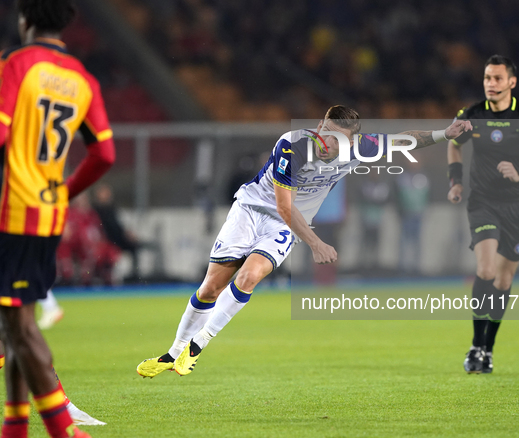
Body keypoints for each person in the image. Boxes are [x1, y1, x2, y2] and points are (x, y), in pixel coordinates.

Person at [137, 105, 472, 378]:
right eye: (325, 134)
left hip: (284, 225)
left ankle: (196, 347)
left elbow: (403, 141)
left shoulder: (361, 148)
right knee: (211, 288)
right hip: (252, 211)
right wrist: (315, 243)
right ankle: (173, 351)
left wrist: (445, 134)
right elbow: (285, 206)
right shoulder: (293, 144)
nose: (326, 144)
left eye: (336, 140)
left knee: (249, 277)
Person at [0, 1, 115, 437]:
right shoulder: (82, 79)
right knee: (14, 321)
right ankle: (14, 424)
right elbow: (104, 153)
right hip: (48, 213)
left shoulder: (15, 64)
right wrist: (63, 192)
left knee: (19, 326)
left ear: (24, 19)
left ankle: (62, 428)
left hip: (11, 211)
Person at [447, 55, 519, 374]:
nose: (491, 84)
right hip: (483, 202)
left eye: (497, 78)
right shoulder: (471, 115)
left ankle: (488, 349)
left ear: (512, 82)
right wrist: (455, 181)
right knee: (485, 270)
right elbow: (453, 144)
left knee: (503, 279)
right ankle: (474, 345)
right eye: (487, 78)